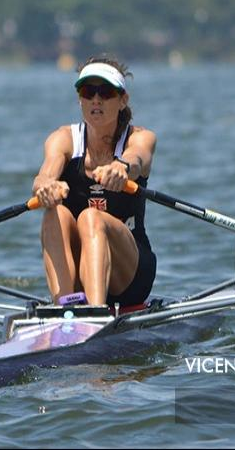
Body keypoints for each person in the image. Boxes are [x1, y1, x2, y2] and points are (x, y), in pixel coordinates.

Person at [32, 56, 157, 307]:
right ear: (80, 99)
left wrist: (122, 168)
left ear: (123, 100)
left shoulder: (140, 138)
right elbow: (45, 174)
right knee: (53, 213)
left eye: (106, 92)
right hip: (82, 271)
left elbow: (137, 158)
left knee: (91, 217)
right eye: (89, 91)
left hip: (131, 276)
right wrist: (45, 187)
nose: (96, 100)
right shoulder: (63, 139)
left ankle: (95, 313)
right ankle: (65, 307)